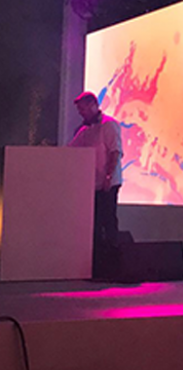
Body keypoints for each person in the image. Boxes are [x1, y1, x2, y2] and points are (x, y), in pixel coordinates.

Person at [69, 91, 123, 278]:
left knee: (108, 220)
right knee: (95, 223)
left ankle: (114, 263)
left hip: (108, 183)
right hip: (91, 184)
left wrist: (108, 176)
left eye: (83, 109)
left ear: (93, 105)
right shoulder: (85, 130)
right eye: (79, 110)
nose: (81, 113)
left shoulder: (109, 125)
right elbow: (71, 151)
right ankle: (97, 263)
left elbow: (115, 152)